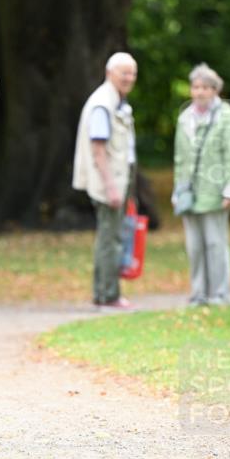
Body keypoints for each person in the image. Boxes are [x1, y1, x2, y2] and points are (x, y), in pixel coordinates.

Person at [172, 63, 230, 306]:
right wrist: (178, 190)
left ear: (215, 90)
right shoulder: (185, 119)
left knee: (215, 243)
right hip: (190, 193)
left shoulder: (226, 116)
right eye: (195, 87)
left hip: (216, 191)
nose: (199, 92)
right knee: (194, 246)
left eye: (205, 87)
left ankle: (220, 294)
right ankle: (198, 293)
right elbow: (180, 159)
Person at [73, 52, 138, 309]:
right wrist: (111, 186)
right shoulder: (103, 103)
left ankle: (104, 293)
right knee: (110, 238)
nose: (129, 78)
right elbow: (98, 149)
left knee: (109, 236)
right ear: (110, 72)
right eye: (124, 72)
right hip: (109, 182)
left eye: (133, 73)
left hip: (117, 179)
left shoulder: (116, 101)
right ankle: (108, 294)